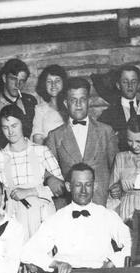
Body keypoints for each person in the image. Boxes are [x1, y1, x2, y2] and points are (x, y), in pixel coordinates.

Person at [0, 104, 64, 238]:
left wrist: (30, 192)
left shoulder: (41, 151)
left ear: (22, 124)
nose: (10, 132)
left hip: (43, 215)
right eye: (5, 128)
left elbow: (60, 188)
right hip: (15, 216)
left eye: (14, 126)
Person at [46, 77, 119, 207]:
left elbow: (117, 167)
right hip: (69, 205)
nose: (78, 104)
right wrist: (49, 178)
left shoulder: (106, 131)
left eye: (82, 99)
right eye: (73, 100)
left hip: (101, 203)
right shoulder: (54, 136)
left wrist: (117, 186)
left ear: (89, 101)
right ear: (65, 103)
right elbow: (46, 170)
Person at [108, 115, 140, 222]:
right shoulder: (121, 157)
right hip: (125, 212)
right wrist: (115, 190)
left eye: (139, 141)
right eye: (130, 141)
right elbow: (112, 193)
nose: (134, 146)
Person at [0, 58, 37, 149]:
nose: (18, 85)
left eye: (22, 81)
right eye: (14, 79)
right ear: (4, 78)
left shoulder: (30, 102)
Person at [98, 65, 140, 150]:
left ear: (138, 85)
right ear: (118, 85)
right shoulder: (109, 114)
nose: (130, 86)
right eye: (125, 82)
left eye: (133, 82)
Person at [32, 64, 68, 144]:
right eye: (49, 81)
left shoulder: (70, 105)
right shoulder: (40, 109)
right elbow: (37, 138)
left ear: (63, 82)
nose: (53, 85)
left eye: (57, 81)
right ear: (44, 85)